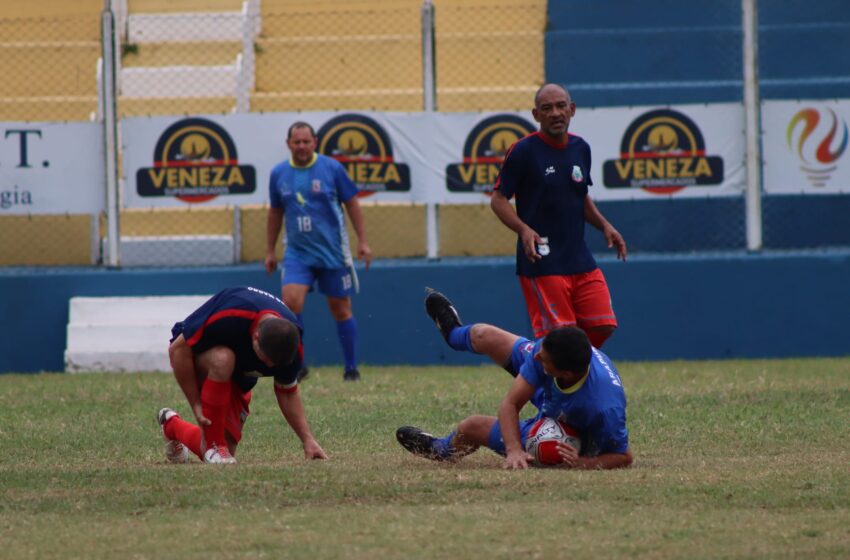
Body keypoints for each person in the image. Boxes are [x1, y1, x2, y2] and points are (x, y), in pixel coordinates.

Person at [396, 290, 632, 470]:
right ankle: (452, 333)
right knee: (484, 335)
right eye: (541, 351)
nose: (536, 355)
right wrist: (514, 449)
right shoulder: (546, 350)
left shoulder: (603, 408)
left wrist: (583, 463)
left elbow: (624, 456)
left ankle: (440, 450)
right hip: (553, 387)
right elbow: (510, 404)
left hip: (564, 422)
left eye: (543, 358)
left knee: (471, 426)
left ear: (566, 373)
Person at [490, 83, 627, 348]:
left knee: (603, 324)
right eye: (547, 108)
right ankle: (545, 376)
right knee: (561, 338)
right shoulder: (524, 151)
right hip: (542, 259)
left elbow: (579, 196)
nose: (555, 113)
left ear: (572, 109)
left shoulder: (580, 148)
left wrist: (605, 226)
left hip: (579, 257)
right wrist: (523, 229)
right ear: (536, 115)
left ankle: (559, 368)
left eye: (561, 106)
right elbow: (498, 200)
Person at [158, 285, 327, 464]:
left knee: (224, 450)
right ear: (255, 337)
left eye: (274, 364)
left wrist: (308, 439)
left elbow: (287, 392)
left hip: (238, 374)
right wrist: (196, 405)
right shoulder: (230, 316)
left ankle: (171, 425)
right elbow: (178, 350)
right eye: (265, 359)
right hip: (196, 355)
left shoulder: (289, 343)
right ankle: (214, 445)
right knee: (224, 359)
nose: (268, 366)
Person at [265, 121, 372, 382]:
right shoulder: (278, 173)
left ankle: (351, 369)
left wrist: (363, 241)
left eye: (306, 141)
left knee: (340, 308)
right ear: (288, 143)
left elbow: (352, 204)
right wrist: (270, 250)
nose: (301, 146)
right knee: (290, 303)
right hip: (297, 253)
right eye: (296, 142)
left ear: (315, 142)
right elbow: (276, 212)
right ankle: (298, 365)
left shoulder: (332, 168)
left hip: (332, 252)